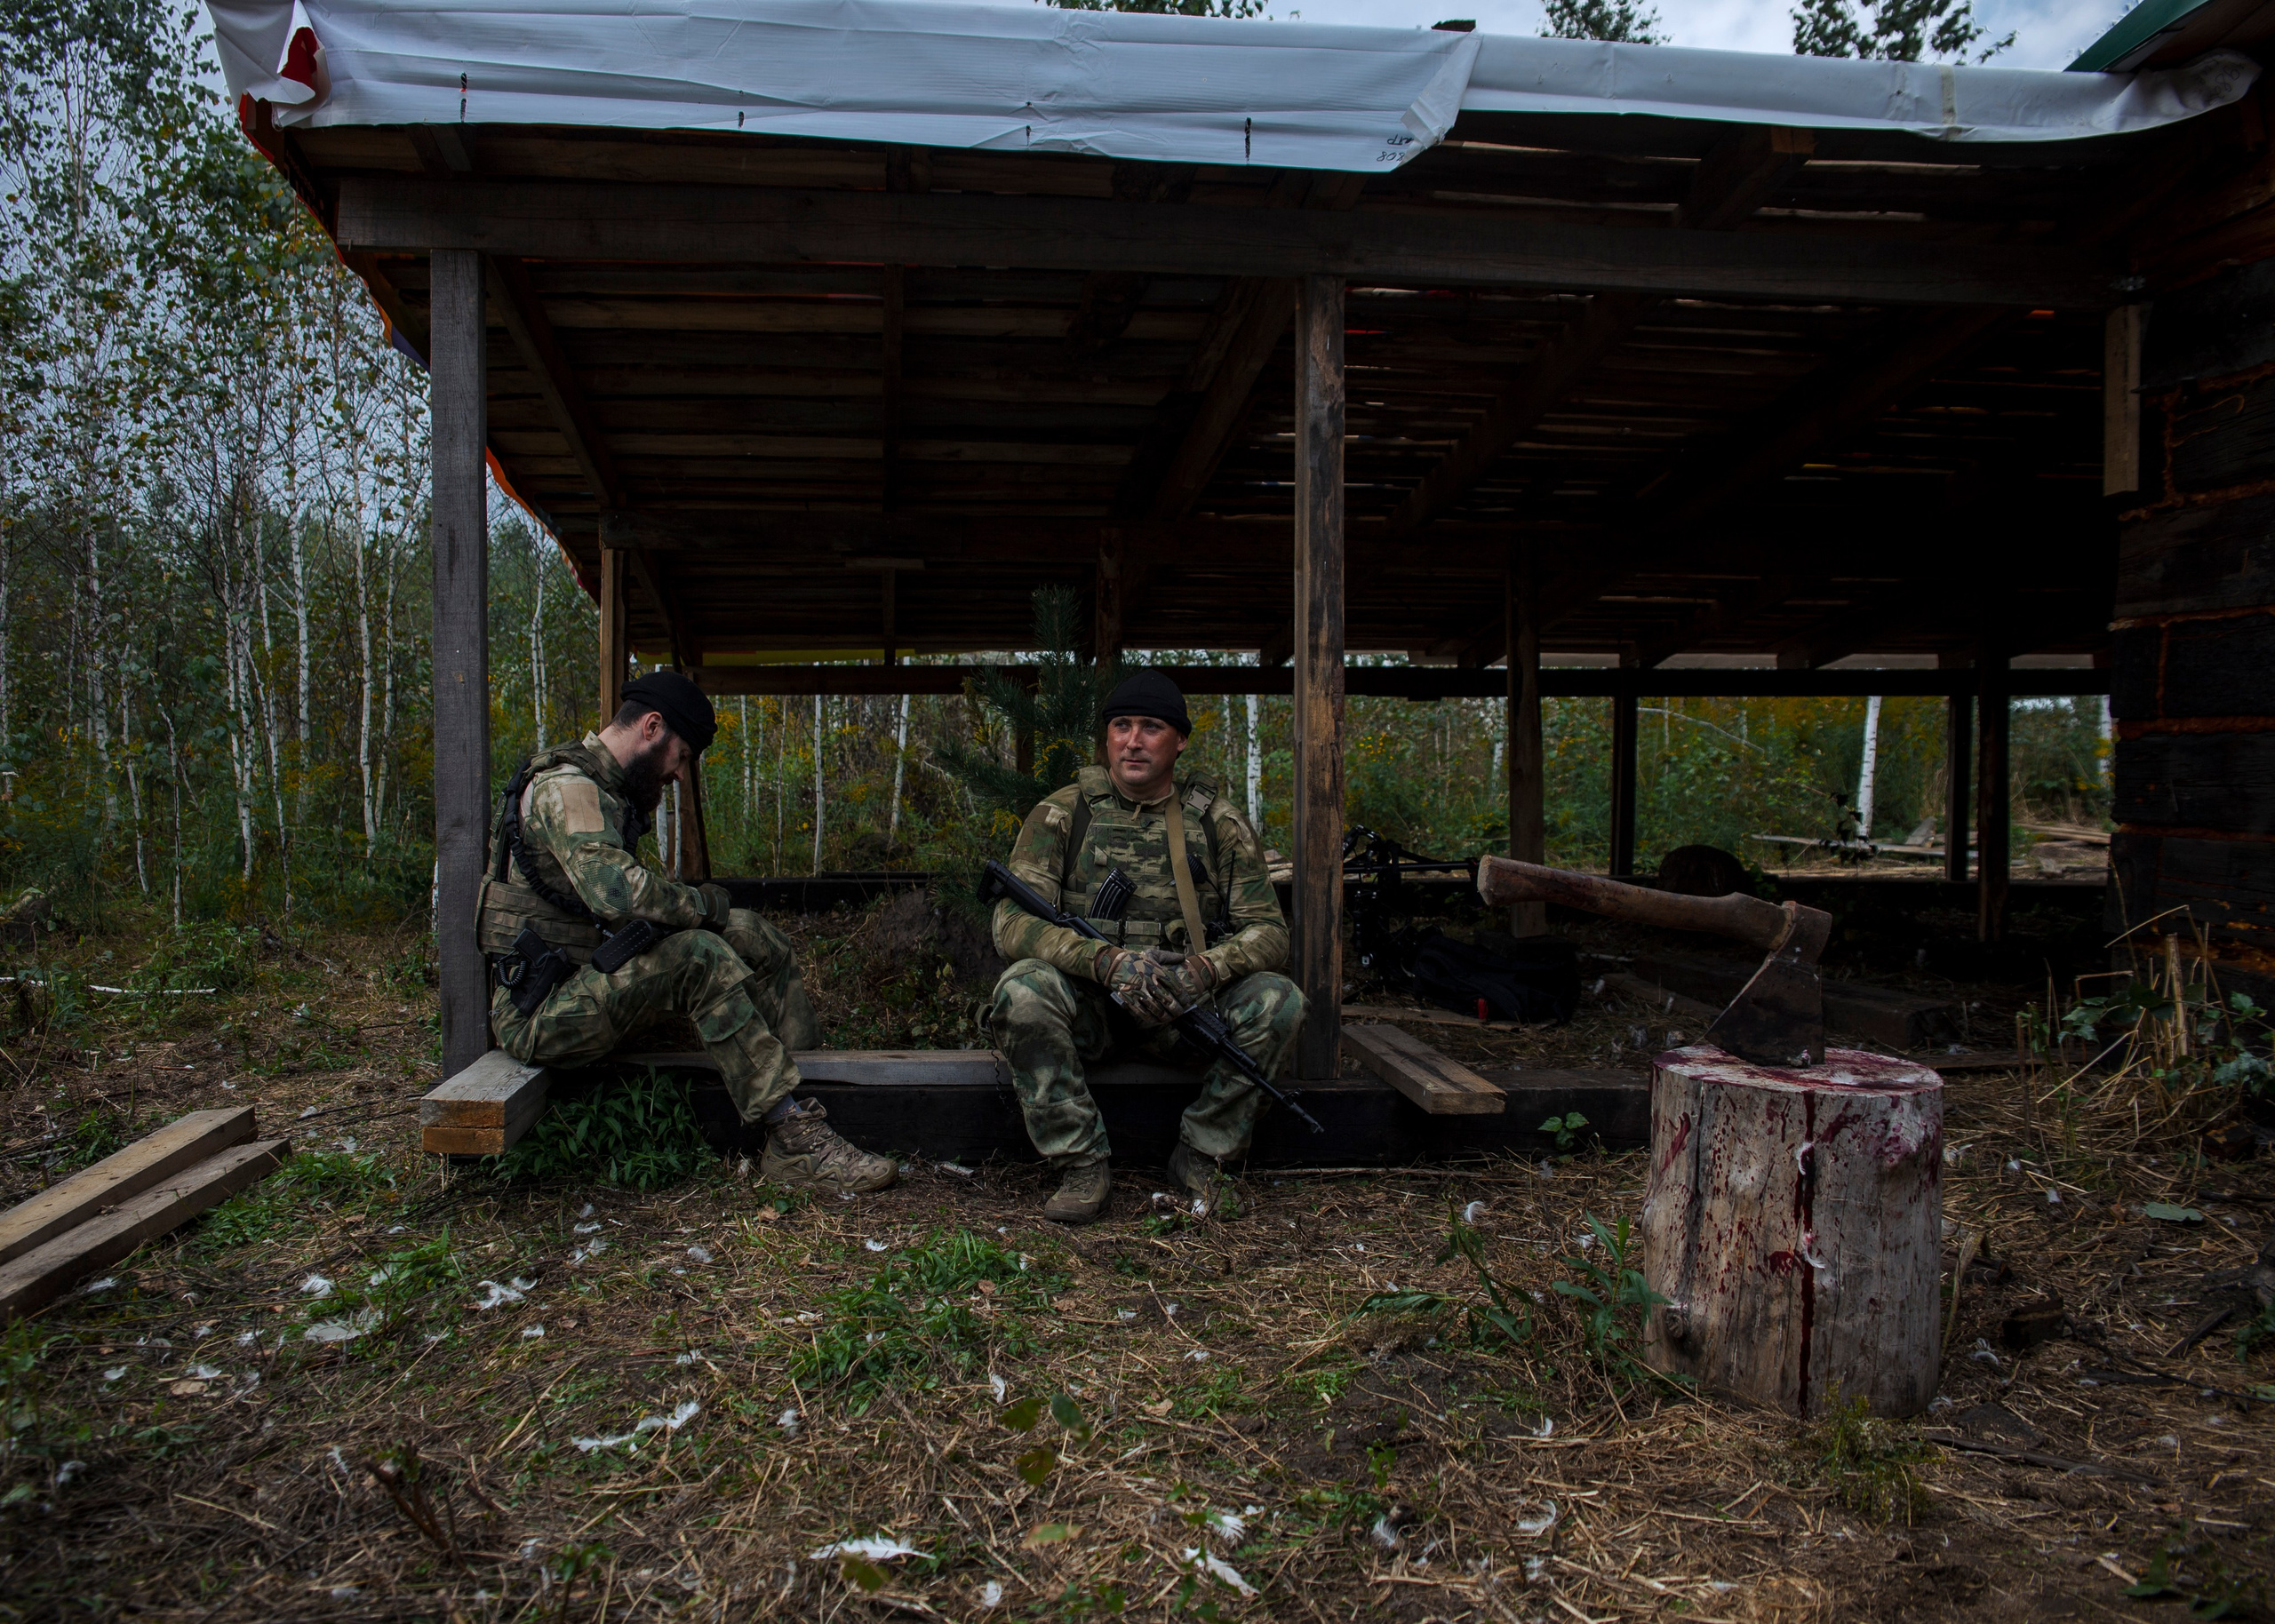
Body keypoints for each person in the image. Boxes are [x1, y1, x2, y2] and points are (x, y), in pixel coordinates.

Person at [477, 671, 897, 1195]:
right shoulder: (568, 789)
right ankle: (794, 1143)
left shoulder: (604, 788)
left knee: (754, 934)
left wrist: (719, 916)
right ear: (651, 727)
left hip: (583, 975)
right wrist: (700, 907)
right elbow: (618, 893)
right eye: (681, 757)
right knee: (700, 955)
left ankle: (811, 1090)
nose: (679, 774)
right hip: (541, 1013)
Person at [987, 671, 1305, 1223]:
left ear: (1179, 740)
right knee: (1022, 992)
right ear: (1107, 737)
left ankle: (1204, 1155)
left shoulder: (1219, 823)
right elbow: (1011, 923)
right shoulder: (1062, 813)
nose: (1133, 741)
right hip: (1092, 1011)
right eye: (1121, 726)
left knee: (1280, 1001)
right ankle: (1081, 1163)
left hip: (1184, 1016)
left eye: (1151, 727)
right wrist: (1105, 962)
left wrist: (1203, 970)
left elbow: (1270, 932)